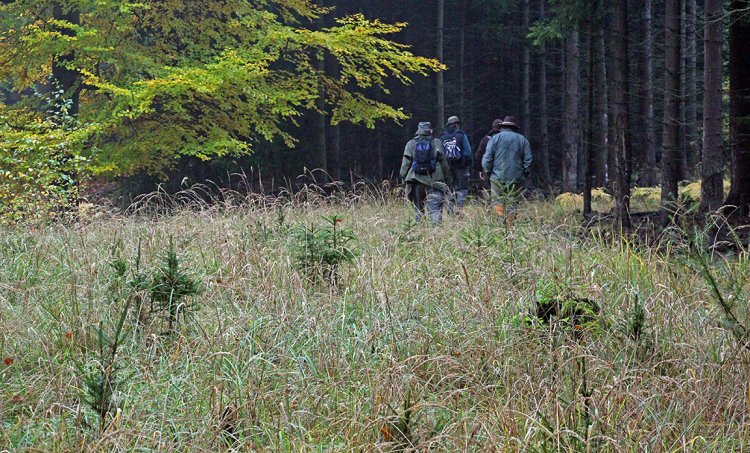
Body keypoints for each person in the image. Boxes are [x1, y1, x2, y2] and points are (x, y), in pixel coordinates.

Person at [482, 116, 532, 225]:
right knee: (512, 203)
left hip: (496, 178)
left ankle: (500, 225)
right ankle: (510, 227)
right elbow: (528, 160)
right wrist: (524, 173)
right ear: (515, 127)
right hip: (516, 178)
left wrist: (488, 172)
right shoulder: (523, 140)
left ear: (503, 126)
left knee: (497, 202)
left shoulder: (494, 138)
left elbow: (486, 159)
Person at [400, 121, 450, 223]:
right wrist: (446, 178)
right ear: (430, 130)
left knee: (418, 210)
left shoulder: (411, 143)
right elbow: (444, 162)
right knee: (434, 210)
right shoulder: (436, 142)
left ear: (418, 130)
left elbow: (405, 163)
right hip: (434, 181)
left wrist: (403, 177)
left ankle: (419, 233)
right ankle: (436, 234)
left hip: (416, 180)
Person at [439, 116, 473, 214]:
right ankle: (459, 209)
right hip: (461, 167)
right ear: (457, 124)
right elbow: (468, 153)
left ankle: (450, 212)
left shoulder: (442, 136)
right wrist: (466, 164)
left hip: (447, 168)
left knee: (449, 189)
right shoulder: (461, 134)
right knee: (462, 189)